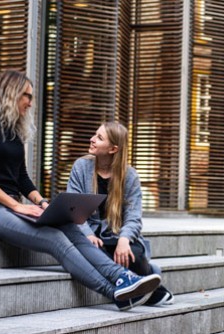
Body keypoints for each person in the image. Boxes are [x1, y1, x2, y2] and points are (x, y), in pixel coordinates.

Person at [0, 69, 161, 311]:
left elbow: (22, 179)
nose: (30, 101)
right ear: (11, 93)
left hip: (11, 208)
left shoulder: (14, 133)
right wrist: (17, 205)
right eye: (27, 95)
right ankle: (115, 292)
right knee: (55, 239)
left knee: (69, 226)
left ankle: (123, 277)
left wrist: (43, 204)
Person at [67, 121, 174, 309]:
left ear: (113, 149)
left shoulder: (129, 175)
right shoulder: (81, 167)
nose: (92, 139)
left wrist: (124, 240)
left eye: (99, 138)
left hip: (116, 235)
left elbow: (134, 216)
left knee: (135, 253)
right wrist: (88, 235)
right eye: (95, 134)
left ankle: (141, 280)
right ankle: (152, 289)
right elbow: (74, 208)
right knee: (94, 252)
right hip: (90, 235)